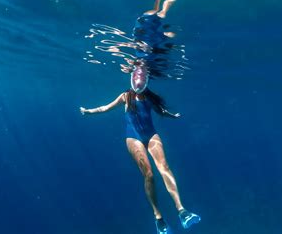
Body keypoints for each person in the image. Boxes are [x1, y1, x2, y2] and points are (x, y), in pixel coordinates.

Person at [79, 65, 201, 234]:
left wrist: (173, 116)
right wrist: (89, 112)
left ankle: (182, 210)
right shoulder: (125, 96)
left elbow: (161, 111)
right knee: (149, 174)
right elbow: (106, 108)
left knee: (164, 168)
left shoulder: (150, 98)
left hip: (151, 135)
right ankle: (158, 216)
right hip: (133, 138)